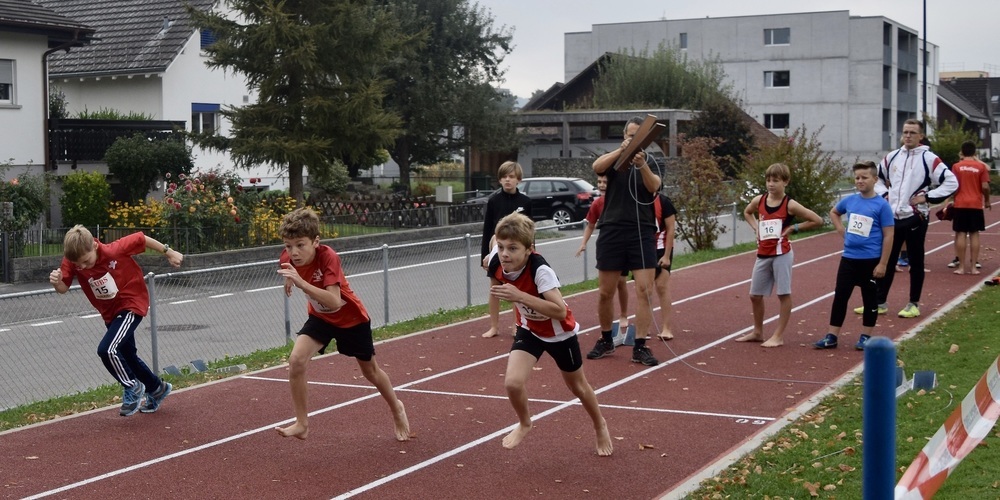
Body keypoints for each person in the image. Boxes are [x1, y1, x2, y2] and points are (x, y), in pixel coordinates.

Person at [275, 207, 410, 441]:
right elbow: (291, 268)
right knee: (296, 361)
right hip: (321, 318)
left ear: (316, 242)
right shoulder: (287, 258)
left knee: (370, 372)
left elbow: (335, 301)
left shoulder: (329, 257)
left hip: (351, 320)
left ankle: (397, 408)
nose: (293, 252)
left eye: (300, 245)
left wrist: (301, 283)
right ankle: (302, 424)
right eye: (288, 246)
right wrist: (289, 279)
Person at [488, 212, 613, 456]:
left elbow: (559, 310)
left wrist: (520, 296)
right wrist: (490, 253)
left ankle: (600, 424)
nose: (504, 254)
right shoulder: (496, 258)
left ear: (529, 249)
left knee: (578, 387)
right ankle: (525, 422)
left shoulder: (541, 271)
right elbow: (494, 241)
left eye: (512, 248)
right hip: (529, 329)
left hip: (559, 335)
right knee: (512, 383)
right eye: (502, 247)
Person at [49, 225, 182, 416]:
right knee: (128, 357)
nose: (83, 267)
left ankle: (132, 386)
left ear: (95, 246)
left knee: (107, 349)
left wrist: (169, 252)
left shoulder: (114, 250)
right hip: (110, 313)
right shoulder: (73, 260)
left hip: (131, 304)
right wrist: (57, 282)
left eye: (86, 261)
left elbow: (141, 238)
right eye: (79, 265)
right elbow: (63, 288)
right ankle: (157, 388)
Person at [855, 119, 958, 318]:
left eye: (912, 132)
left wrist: (927, 197)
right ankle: (879, 302)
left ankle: (913, 303)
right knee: (886, 259)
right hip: (892, 217)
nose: (908, 136)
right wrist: (885, 196)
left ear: (921, 136)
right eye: (905, 132)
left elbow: (952, 182)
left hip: (916, 217)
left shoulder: (929, 158)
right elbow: (877, 178)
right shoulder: (892, 156)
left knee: (916, 261)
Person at [586, 116, 663, 366]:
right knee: (605, 292)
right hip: (612, 229)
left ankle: (640, 345)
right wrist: (622, 150)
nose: (634, 139)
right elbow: (597, 167)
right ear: (624, 135)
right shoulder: (615, 159)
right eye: (631, 135)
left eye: (639, 136)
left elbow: (654, 186)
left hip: (641, 231)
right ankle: (606, 339)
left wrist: (642, 165)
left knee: (645, 290)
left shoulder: (652, 160)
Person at [736, 163, 823, 347]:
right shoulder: (759, 200)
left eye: (775, 180)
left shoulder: (789, 204)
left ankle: (778, 335)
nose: (771, 184)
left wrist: (794, 227)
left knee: (783, 294)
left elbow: (817, 220)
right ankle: (758, 332)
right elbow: (747, 212)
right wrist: (756, 228)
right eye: (768, 180)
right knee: (754, 295)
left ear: (785, 182)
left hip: (781, 254)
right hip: (762, 253)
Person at [814, 162, 894, 350]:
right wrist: (840, 229)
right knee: (840, 296)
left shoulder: (882, 205)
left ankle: (866, 336)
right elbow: (834, 212)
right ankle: (832, 336)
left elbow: (889, 235)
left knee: (870, 299)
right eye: (857, 177)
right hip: (849, 259)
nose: (860, 181)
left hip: (871, 260)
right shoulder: (850, 201)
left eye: (864, 177)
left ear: (875, 179)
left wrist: (883, 263)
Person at [575, 172, 630, 344]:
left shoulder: (623, 200)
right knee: (606, 290)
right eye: (599, 182)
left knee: (621, 282)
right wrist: (583, 243)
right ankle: (608, 329)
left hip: (624, 245)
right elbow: (590, 225)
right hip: (608, 246)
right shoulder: (597, 203)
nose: (601, 185)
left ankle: (624, 314)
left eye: (605, 182)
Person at [481, 161, 532, 338]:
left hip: (518, 253)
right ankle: (494, 326)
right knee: (495, 288)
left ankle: (516, 325)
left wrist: (530, 252)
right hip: (497, 249)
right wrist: (485, 255)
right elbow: (487, 229)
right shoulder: (494, 201)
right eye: (504, 177)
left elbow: (530, 230)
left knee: (516, 289)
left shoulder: (526, 202)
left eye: (511, 177)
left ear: (519, 179)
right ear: (499, 180)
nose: (507, 180)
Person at [948, 141, 991, 274]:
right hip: (975, 204)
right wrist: (987, 200)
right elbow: (985, 186)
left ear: (962, 151)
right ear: (975, 152)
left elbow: (954, 185)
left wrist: (953, 198)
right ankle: (973, 267)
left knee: (961, 233)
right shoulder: (981, 167)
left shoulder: (956, 166)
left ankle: (961, 267)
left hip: (961, 203)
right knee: (974, 233)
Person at [652, 190, 678, 340]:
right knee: (643, 289)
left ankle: (667, 328)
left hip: (661, 247)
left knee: (662, 286)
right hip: (642, 248)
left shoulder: (663, 201)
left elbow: (671, 228)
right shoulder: (636, 200)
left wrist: (667, 255)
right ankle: (644, 327)